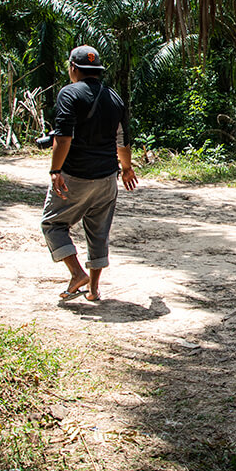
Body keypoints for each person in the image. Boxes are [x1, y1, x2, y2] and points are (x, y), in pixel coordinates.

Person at [40, 45, 138, 302]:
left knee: (52, 223)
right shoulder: (114, 98)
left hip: (76, 176)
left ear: (74, 68)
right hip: (107, 177)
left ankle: (76, 273)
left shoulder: (69, 93)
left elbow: (63, 137)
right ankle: (93, 289)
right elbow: (122, 141)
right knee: (98, 231)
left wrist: (55, 170)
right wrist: (126, 169)